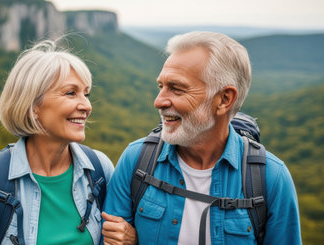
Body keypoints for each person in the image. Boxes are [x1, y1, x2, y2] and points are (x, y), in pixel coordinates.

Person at [102, 31, 302, 245]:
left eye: (177, 89)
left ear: (224, 99)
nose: (158, 101)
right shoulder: (137, 160)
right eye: (161, 87)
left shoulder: (270, 178)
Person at [0, 40, 116, 244]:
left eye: (86, 93)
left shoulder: (99, 170)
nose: (86, 105)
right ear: (33, 105)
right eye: (70, 93)